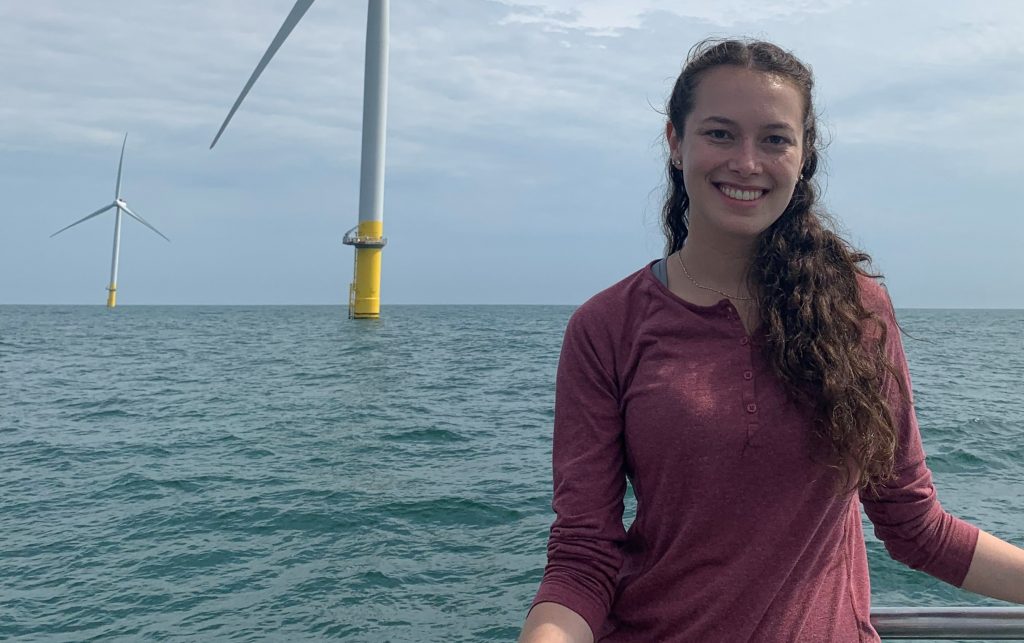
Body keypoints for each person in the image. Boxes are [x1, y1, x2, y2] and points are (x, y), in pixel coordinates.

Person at [518, 38, 1024, 643]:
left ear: (805, 155)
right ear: (676, 145)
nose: (747, 162)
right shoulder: (606, 326)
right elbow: (584, 555)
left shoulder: (855, 309)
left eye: (775, 139)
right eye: (720, 134)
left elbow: (915, 525)